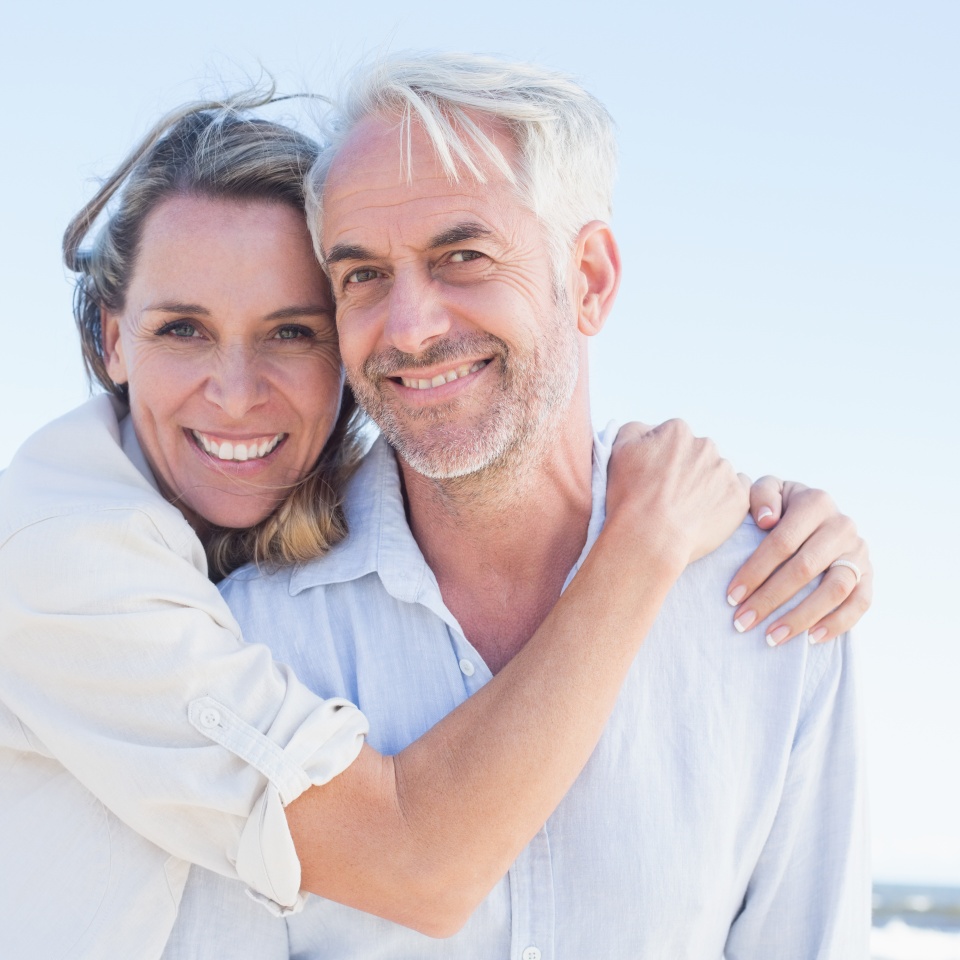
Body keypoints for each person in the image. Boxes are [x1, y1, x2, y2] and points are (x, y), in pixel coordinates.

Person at [0, 93, 869, 960]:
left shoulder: (765, 601)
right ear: (112, 340)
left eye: (292, 331)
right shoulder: (85, 569)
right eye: (182, 328)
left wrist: (751, 526)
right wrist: (642, 544)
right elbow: (416, 861)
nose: (236, 391)